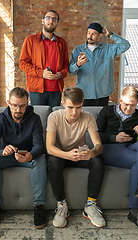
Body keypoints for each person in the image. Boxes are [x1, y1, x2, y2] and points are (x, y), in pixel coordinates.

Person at [96, 86, 138, 232]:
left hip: (130, 148)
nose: (128, 108)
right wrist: (114, 138)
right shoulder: (106, 111)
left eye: (132, 105)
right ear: (120, 100)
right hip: (110, 148)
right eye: (126, 104)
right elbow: (94, 135)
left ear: (137, 103)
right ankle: (136, 212)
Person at [0, 87, 47, 229]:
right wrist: (1, 152)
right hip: (7, 156)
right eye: (14, 105)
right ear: (8, 103)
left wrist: (30, 155)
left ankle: (38, 206)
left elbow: (39, 145)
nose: (18, 110)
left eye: (22, 106)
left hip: (28, 156)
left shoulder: (35, 119)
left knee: (41, 160)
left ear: (27, 103)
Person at [46, 86, 106, 228]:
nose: (74, 112)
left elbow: (99, 146)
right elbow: (49, 148)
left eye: (78, 107)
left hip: (79, 155)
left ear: (82, 104)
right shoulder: (54, 117)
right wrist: (67, 154)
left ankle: (90, 205)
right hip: (61, 155)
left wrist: (91, 152)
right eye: (70, 107)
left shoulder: (88, 117)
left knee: (98, 160)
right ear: (63, 103)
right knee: (52, 161)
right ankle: (61, 206)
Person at [69, 22, 130, 107]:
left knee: (101, 119)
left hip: (103, 93)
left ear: (99, 36)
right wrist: (78, 64)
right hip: (84, 94)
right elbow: (71, 71)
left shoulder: (108, 49)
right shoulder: (78, 50)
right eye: (88, 33)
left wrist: (110, 35)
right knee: (86, 119)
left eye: (93, 34)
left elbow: (126, 45)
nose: (89, 36)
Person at [19, 10, 69, 108]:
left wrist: (61, 74)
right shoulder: (30, 40)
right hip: (37, 90)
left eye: (54, 19)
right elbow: (23, 63)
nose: (51, 21)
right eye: (48, 18)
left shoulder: (62, 42)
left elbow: (66, 64)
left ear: (57, 23)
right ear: (43, 21)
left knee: (54, 120)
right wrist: (41, 73)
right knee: (39, 120)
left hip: (56, 89)